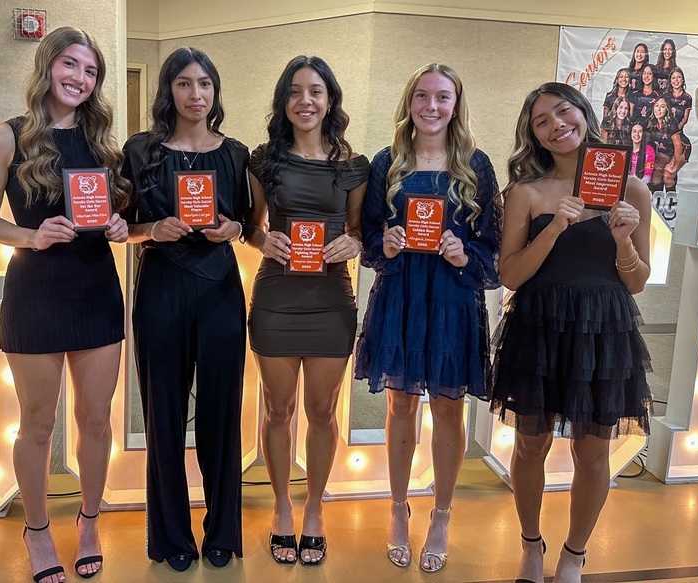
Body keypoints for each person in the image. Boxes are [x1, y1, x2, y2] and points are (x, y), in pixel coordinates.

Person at [0, 26, 130, 583]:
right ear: (46, 66)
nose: (80, 79)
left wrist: (119, 225)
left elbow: (124, 218)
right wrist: (31, 236)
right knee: (37, 425)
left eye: (90, 71)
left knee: (94, 420)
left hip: (96, 291)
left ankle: (89, 519)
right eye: (70, 65)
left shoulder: (108, 145)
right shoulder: (4, 138)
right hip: (35, 292)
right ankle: (37, 530)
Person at [490, 82, 652, 583]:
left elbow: (637, 281)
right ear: (533, 136)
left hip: (604, 328)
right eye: (542, 121)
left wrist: (623, 241)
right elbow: (510, 275)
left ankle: (574, 555)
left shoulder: (631, 189)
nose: (557, 125)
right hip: (538, 325)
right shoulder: (525, 192)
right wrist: (557, 227)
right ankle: (530, 545)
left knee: (593, 450)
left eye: (564, 112)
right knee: (530, 445)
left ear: (584, 114)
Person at [353, 63, 500, 573]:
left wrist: (465, 253)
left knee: (448, 410)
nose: (431, 106)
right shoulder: (385, 162)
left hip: (453, 299)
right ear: (409, 101)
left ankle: (441, 512)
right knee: (399, 408)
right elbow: (367, 235)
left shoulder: (476, 165)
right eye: (422, 96)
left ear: (455, 104)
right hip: (401, 297)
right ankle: (397, 507)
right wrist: (386, 243)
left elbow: (494, 248)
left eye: (442, 97)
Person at [121, 47, 252, 572]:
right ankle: (171, 536)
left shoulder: (237, 153)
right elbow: (117, 225)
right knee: (164, 415)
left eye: (204, 84)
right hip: (160, 288)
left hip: (220, 288)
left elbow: (246, 222)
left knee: (222, 415)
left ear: (215, 91)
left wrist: (233, 230)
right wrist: (151, 229)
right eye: (184, 84)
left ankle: (223, 531)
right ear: (168, 91)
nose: (195, 95)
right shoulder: (139, 150)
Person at [247, 55, 370, 566]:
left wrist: (354, 244)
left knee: (321, 412)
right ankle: (280, 508)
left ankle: (314, 509)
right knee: (279, 410)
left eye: (316, 91)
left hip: (330, 302)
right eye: (295, 92)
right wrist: (262, 239)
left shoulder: (353, 166)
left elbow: (360, 230)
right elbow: (248, 226)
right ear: (284, 101)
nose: (305, 101)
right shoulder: (263, 162)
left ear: (330, 100)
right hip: (276, 299)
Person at [647, 96, 684, 192]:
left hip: (677, 151)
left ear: (667, 109)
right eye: (656, 106)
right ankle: (654, 202)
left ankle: (671, 203)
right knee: (655, 176)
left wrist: (674, 166)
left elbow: (678, 148)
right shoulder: (651, 122)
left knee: (668, 176)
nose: (658, 109)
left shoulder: (672, 123)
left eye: (662, 106)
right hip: (662, 152)